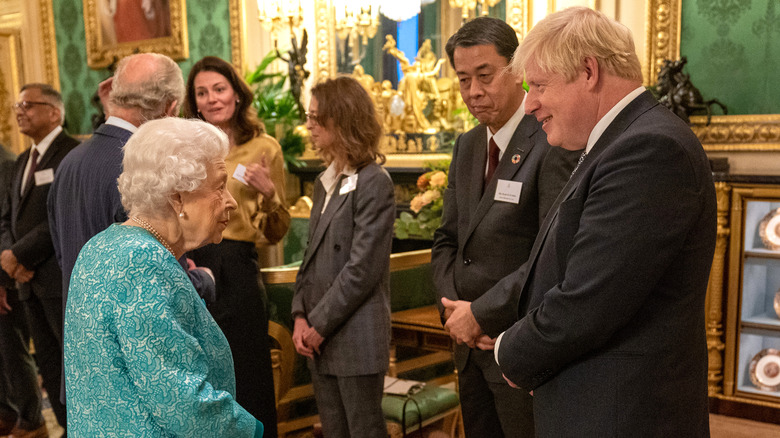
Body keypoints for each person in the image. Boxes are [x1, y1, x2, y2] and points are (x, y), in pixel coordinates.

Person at [491, 7, 716, 436]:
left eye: (538, 85)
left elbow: (589, 299)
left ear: (588, 70)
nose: (529, 103)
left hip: (621, 414)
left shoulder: (647, 148)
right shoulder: (620, 142)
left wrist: (510, 350)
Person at [64, 117, 263, 437]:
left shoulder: (102, 245)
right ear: (178, 198)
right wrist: (251, 430)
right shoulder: (143, 261)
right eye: (220, 186)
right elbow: (181, 401)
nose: (231, 201)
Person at [431, 17, 579, 437]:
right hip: (466, 346)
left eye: (484, 76)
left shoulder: (551, 138)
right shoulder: (468, 145)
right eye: (463, 80)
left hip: (516, 344)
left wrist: (480, 313)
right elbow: (448, 240)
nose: (473, 92)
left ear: (517, 71)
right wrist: (453, 309)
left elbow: (550, 253)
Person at [183, 55, 290, 436]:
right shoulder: (185, 148)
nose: (212, 99)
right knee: (202, 371)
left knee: (249, 370)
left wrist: (270, 194)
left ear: (236, 95)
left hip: (239, 266)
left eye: (219, 89)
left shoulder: (263, 148)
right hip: (192, 265)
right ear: (193, 102)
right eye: (202, 92)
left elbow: (277, 232)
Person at [291, 76, 395, 438]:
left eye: (318, 118)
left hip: (354, 334)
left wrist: (319, 323)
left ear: (344, 119)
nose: (309, 125)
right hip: (320, 334)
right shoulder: (327, 180)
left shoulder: (374, 181)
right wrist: (300, 315)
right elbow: (310, 255)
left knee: (364, 431)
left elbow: (362, 269)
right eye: (310, 115)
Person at [1, 84, 79, 436]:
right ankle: (63, 427)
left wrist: (19, 254)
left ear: (54, 112)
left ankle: (81, 427)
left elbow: (61, 218)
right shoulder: (21, 160)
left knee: (71, 364)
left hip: (58, 278)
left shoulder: (72, 155)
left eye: (28, 105)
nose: (20, 111)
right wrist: (8, 256)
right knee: (47, 363)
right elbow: (7, 217)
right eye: (18, 104)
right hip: (27, 281)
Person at [0, 144, 48, 438]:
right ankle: (7, 410)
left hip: (12, 272)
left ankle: (31, 418)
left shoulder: (5, 162)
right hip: (7, 267)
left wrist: (3, 280)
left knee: (14, 348)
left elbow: (5, 222)